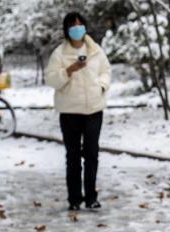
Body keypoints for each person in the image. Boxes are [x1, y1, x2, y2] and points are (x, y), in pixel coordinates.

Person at [44, 11, 112, 211]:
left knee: (91, 154)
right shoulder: (59, 54)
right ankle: (74, 198)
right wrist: (69, 70)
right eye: (73, 26)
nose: (77, 29)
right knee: (73, 156)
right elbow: (51, 80)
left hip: (93, 110)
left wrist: (101, 86)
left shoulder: (96, 50)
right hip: (70, 112)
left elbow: (106, 71)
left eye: (80, 25)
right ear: (67, 30)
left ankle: (91, 197)